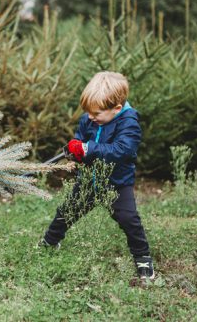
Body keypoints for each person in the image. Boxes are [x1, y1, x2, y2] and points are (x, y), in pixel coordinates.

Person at [39, 71, 154, 279]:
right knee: (66, 212)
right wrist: (75, 150)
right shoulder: (89, 118)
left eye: (96, 114)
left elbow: (122, 151)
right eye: (89, 113)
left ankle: (143, 258)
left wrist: (87, 149)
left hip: (116, 184)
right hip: (88, 181)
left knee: (129, 220)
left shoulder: (128, 123)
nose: (91, 118)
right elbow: (80, 138)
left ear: (116, 108)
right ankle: (50, 241)